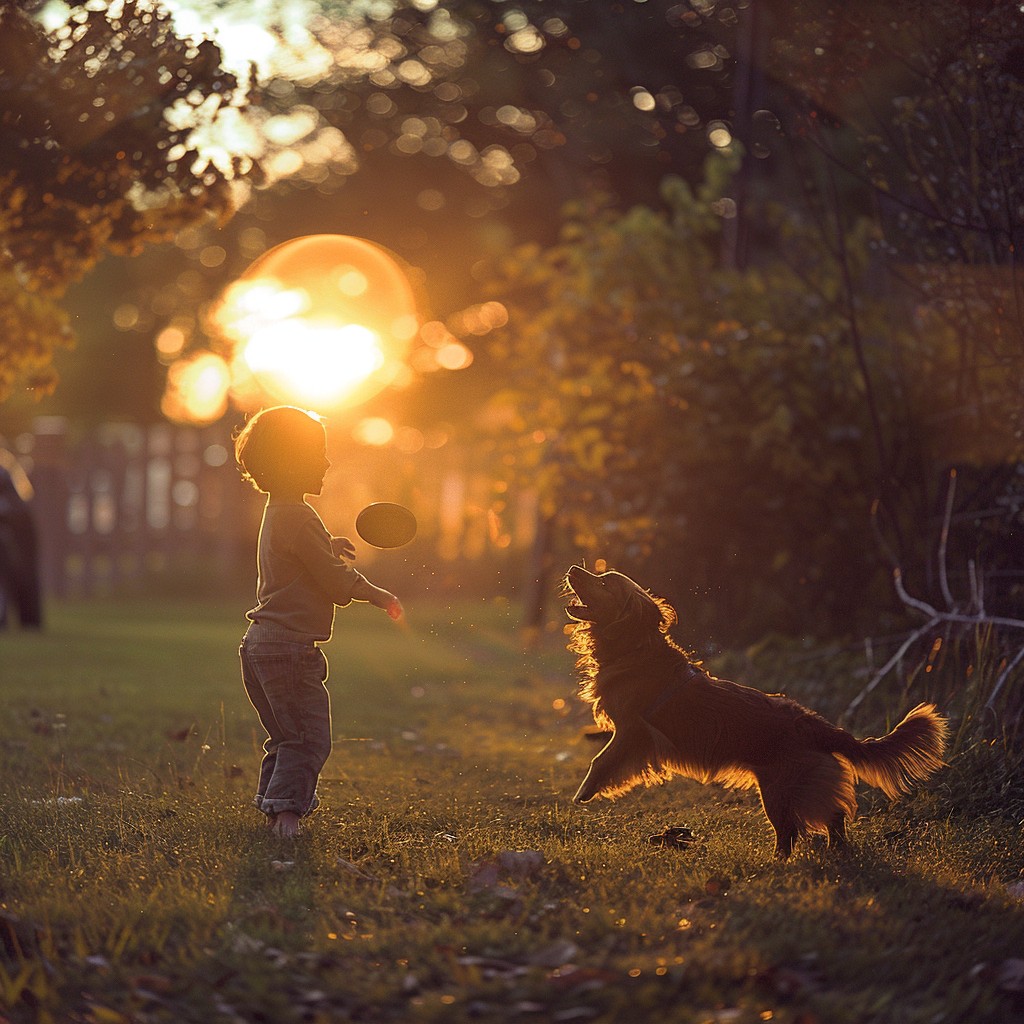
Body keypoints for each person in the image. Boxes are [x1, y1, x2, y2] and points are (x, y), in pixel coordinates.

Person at [234, 406, 402, 838]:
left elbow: (299, 557)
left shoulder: (279, 512)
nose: (326, 462)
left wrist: (327, 544)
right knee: (308, 738)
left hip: (260, 646)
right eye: (317, 454)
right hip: (289, 649)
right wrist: (377, 593)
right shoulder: (300, 514)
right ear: (290, 461)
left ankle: (274, 812)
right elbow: (331, 579)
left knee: (285, 735)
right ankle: (287, 821)